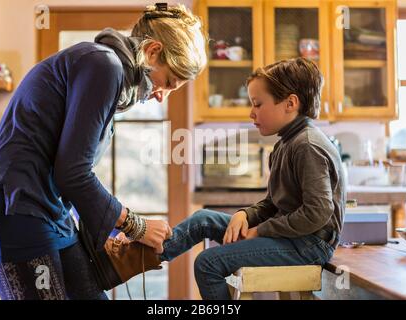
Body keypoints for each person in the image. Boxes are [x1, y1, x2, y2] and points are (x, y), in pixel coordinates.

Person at [0, 3, 207, 300]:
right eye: (170, 82)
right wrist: (135, 225)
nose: (162, 95)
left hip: (48, 209)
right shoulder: (103, 66)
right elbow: (73, 172)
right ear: (153, 52)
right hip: (15, 208)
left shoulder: (108, 72)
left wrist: (111, 227)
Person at [140, 57, 346, 300]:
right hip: (294, 238)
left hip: (309, 246)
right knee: (203, 219)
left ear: (290, 103)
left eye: (258, 104)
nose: (251, 112)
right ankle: (138, 258)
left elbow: (317, 213)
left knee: (208, 263)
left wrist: (260, 231)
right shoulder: (286, 143)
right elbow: (273, 204)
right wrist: (246, 215)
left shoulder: (307, 145)